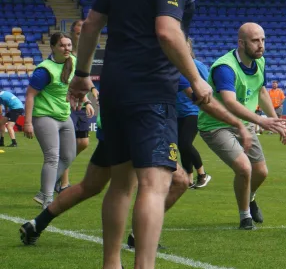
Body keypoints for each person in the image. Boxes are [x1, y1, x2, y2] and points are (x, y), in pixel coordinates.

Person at [67, 0, 212, 269]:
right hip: (151, 90)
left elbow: (93, 23)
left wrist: (82, 75)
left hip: (114, 86)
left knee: (121, 181)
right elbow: (167, 31)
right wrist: (196, 79)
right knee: (156, 180)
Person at [21, 78, 252, 250]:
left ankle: (37, 223)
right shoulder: (168, 62)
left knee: (91, 185)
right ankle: (137, 243)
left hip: (118, 126)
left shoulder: (139, 55)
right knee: (174, 182)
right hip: (147, 128)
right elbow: (203, 102)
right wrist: (239, 123)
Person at [198, 22, 286, 230]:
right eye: (255, 41)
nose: (261, 45)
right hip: (216, 125)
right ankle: (245, 217)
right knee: (244, 168)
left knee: (261, 172)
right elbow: (229, 102)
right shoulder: (225, 67)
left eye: (263, 40)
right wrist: (261, 120)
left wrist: (274, 120)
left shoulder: (260, 62)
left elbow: (261, 91)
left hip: (245, 124)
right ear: (241, 43)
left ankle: (250, 198)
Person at [24, 33, 79, 208]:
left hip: (64, 114)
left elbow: (77, 83)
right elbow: (30, 96)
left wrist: (85, 101)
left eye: (69, 45)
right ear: (53, 47)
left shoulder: (73, 61)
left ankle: (43, 192)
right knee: (52, 157)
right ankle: (47, 198)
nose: (67, 49)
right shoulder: (44, 70)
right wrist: (27, 122)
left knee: (68, 156)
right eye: (62, 45)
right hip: (44, 116)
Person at [60, 20, 96, 192]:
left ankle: (58, 168)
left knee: (83, 142)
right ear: (73, 35)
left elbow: (82, 81)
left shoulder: (85, 56)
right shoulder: (65, 56)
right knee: (69, 144)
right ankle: (63, 184)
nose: (80, 36)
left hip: (81, 102)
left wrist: (88, 100)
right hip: (67, 103)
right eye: (78, 33)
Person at [178, 38, 211, 189]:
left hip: (193, 111)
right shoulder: (173, 66)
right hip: (176, 112)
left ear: (189, 48)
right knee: (181, 146)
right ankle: (189, 179)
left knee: (185, 143)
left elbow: (208, 86)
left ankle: (203, 174)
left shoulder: (198, 66)